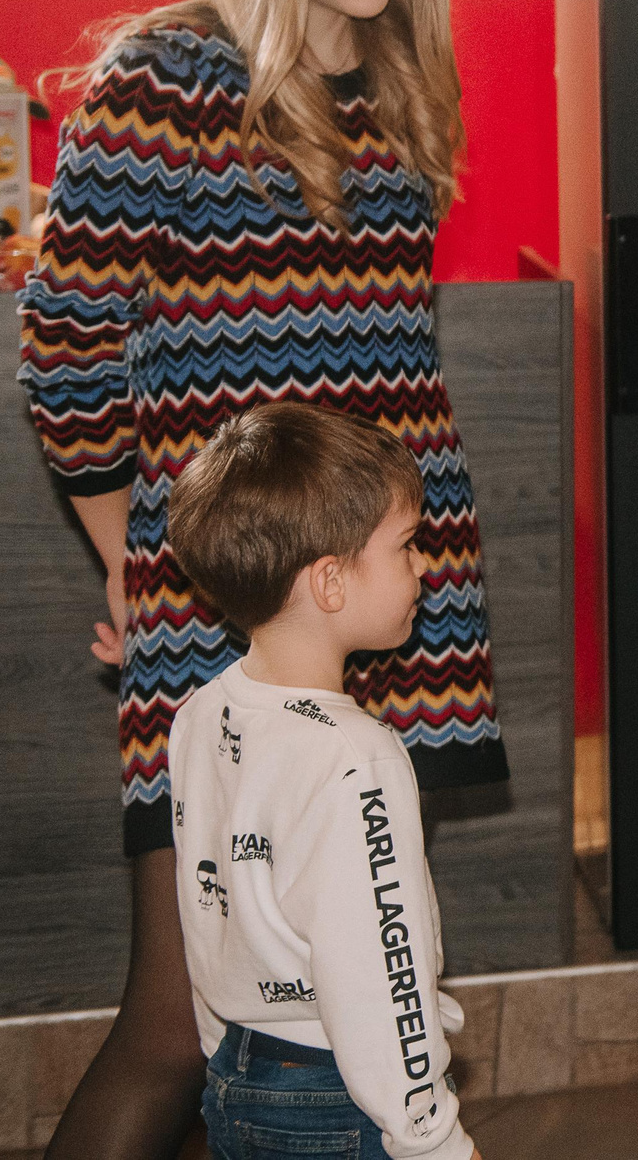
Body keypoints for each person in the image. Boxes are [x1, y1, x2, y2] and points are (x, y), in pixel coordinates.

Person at [17, 0, 507, 1160]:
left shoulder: (399, 73)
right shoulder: (164, 79)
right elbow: (65, 354)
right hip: (228, 612)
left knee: (362, 993)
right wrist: (139, 565)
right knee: (181, 1021)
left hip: (396, 593)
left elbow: (390, 345)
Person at [163, 403, 480, 1160]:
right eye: (405, 545)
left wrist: (222, 1050)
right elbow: (382, 976)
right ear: (331, 581)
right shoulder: (358, 758)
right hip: (336, 1098)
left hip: (236, 1075)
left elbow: (206, 912)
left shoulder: (199, 715)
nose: (423, 566)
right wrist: (436, 1139)